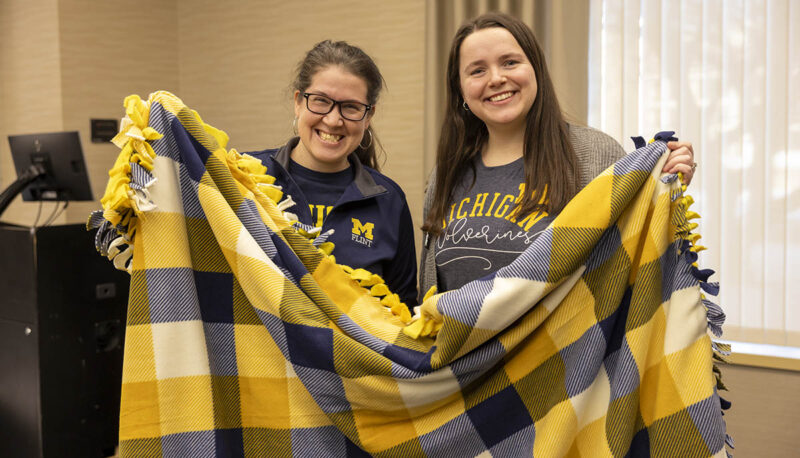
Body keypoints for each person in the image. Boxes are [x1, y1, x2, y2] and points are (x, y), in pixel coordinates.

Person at [419, 13, 696, 298]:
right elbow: (429, 289)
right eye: (477, 71)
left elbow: (640, 256)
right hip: (454, 343)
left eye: (510, 62)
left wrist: (668, 190)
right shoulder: (448, 172)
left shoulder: (596, 154)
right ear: (461, 90)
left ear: (536, 69)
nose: (497, 78)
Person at [247, 40, 417, 307]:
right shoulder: (246, 177)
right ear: (298, 103)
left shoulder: (389, 200)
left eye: (350, 107)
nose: (333, 120)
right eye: (321, 101)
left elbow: (402, 314)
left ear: (368, 116)